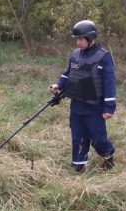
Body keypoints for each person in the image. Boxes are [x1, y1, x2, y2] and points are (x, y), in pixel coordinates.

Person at [49, 20, 116, 172]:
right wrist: (58, 84)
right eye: (76, 39)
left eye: (80, 39)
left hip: (95, 107)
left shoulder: (104, 57)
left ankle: (108, 155)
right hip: (77, 105)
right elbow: (68, 73)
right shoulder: (75, 54)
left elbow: (109, 83)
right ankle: (79, 165)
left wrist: (109, 108)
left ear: (90, 38)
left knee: (98, 139)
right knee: (77, 137)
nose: (77, 42)